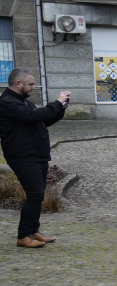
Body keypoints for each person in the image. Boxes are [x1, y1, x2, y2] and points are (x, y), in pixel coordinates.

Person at [0, 68, 70, 248]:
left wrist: (60, 109)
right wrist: (56, 102)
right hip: (22, 156)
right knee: (35, 194)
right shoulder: (7, 102)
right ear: (18, 83)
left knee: (38, 196)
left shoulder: (24, 102)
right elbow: (33, 116)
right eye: (30, 84)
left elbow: (41, 121)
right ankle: (23, 236)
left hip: (36, 155)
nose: (33, 87)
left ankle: (33, 230)